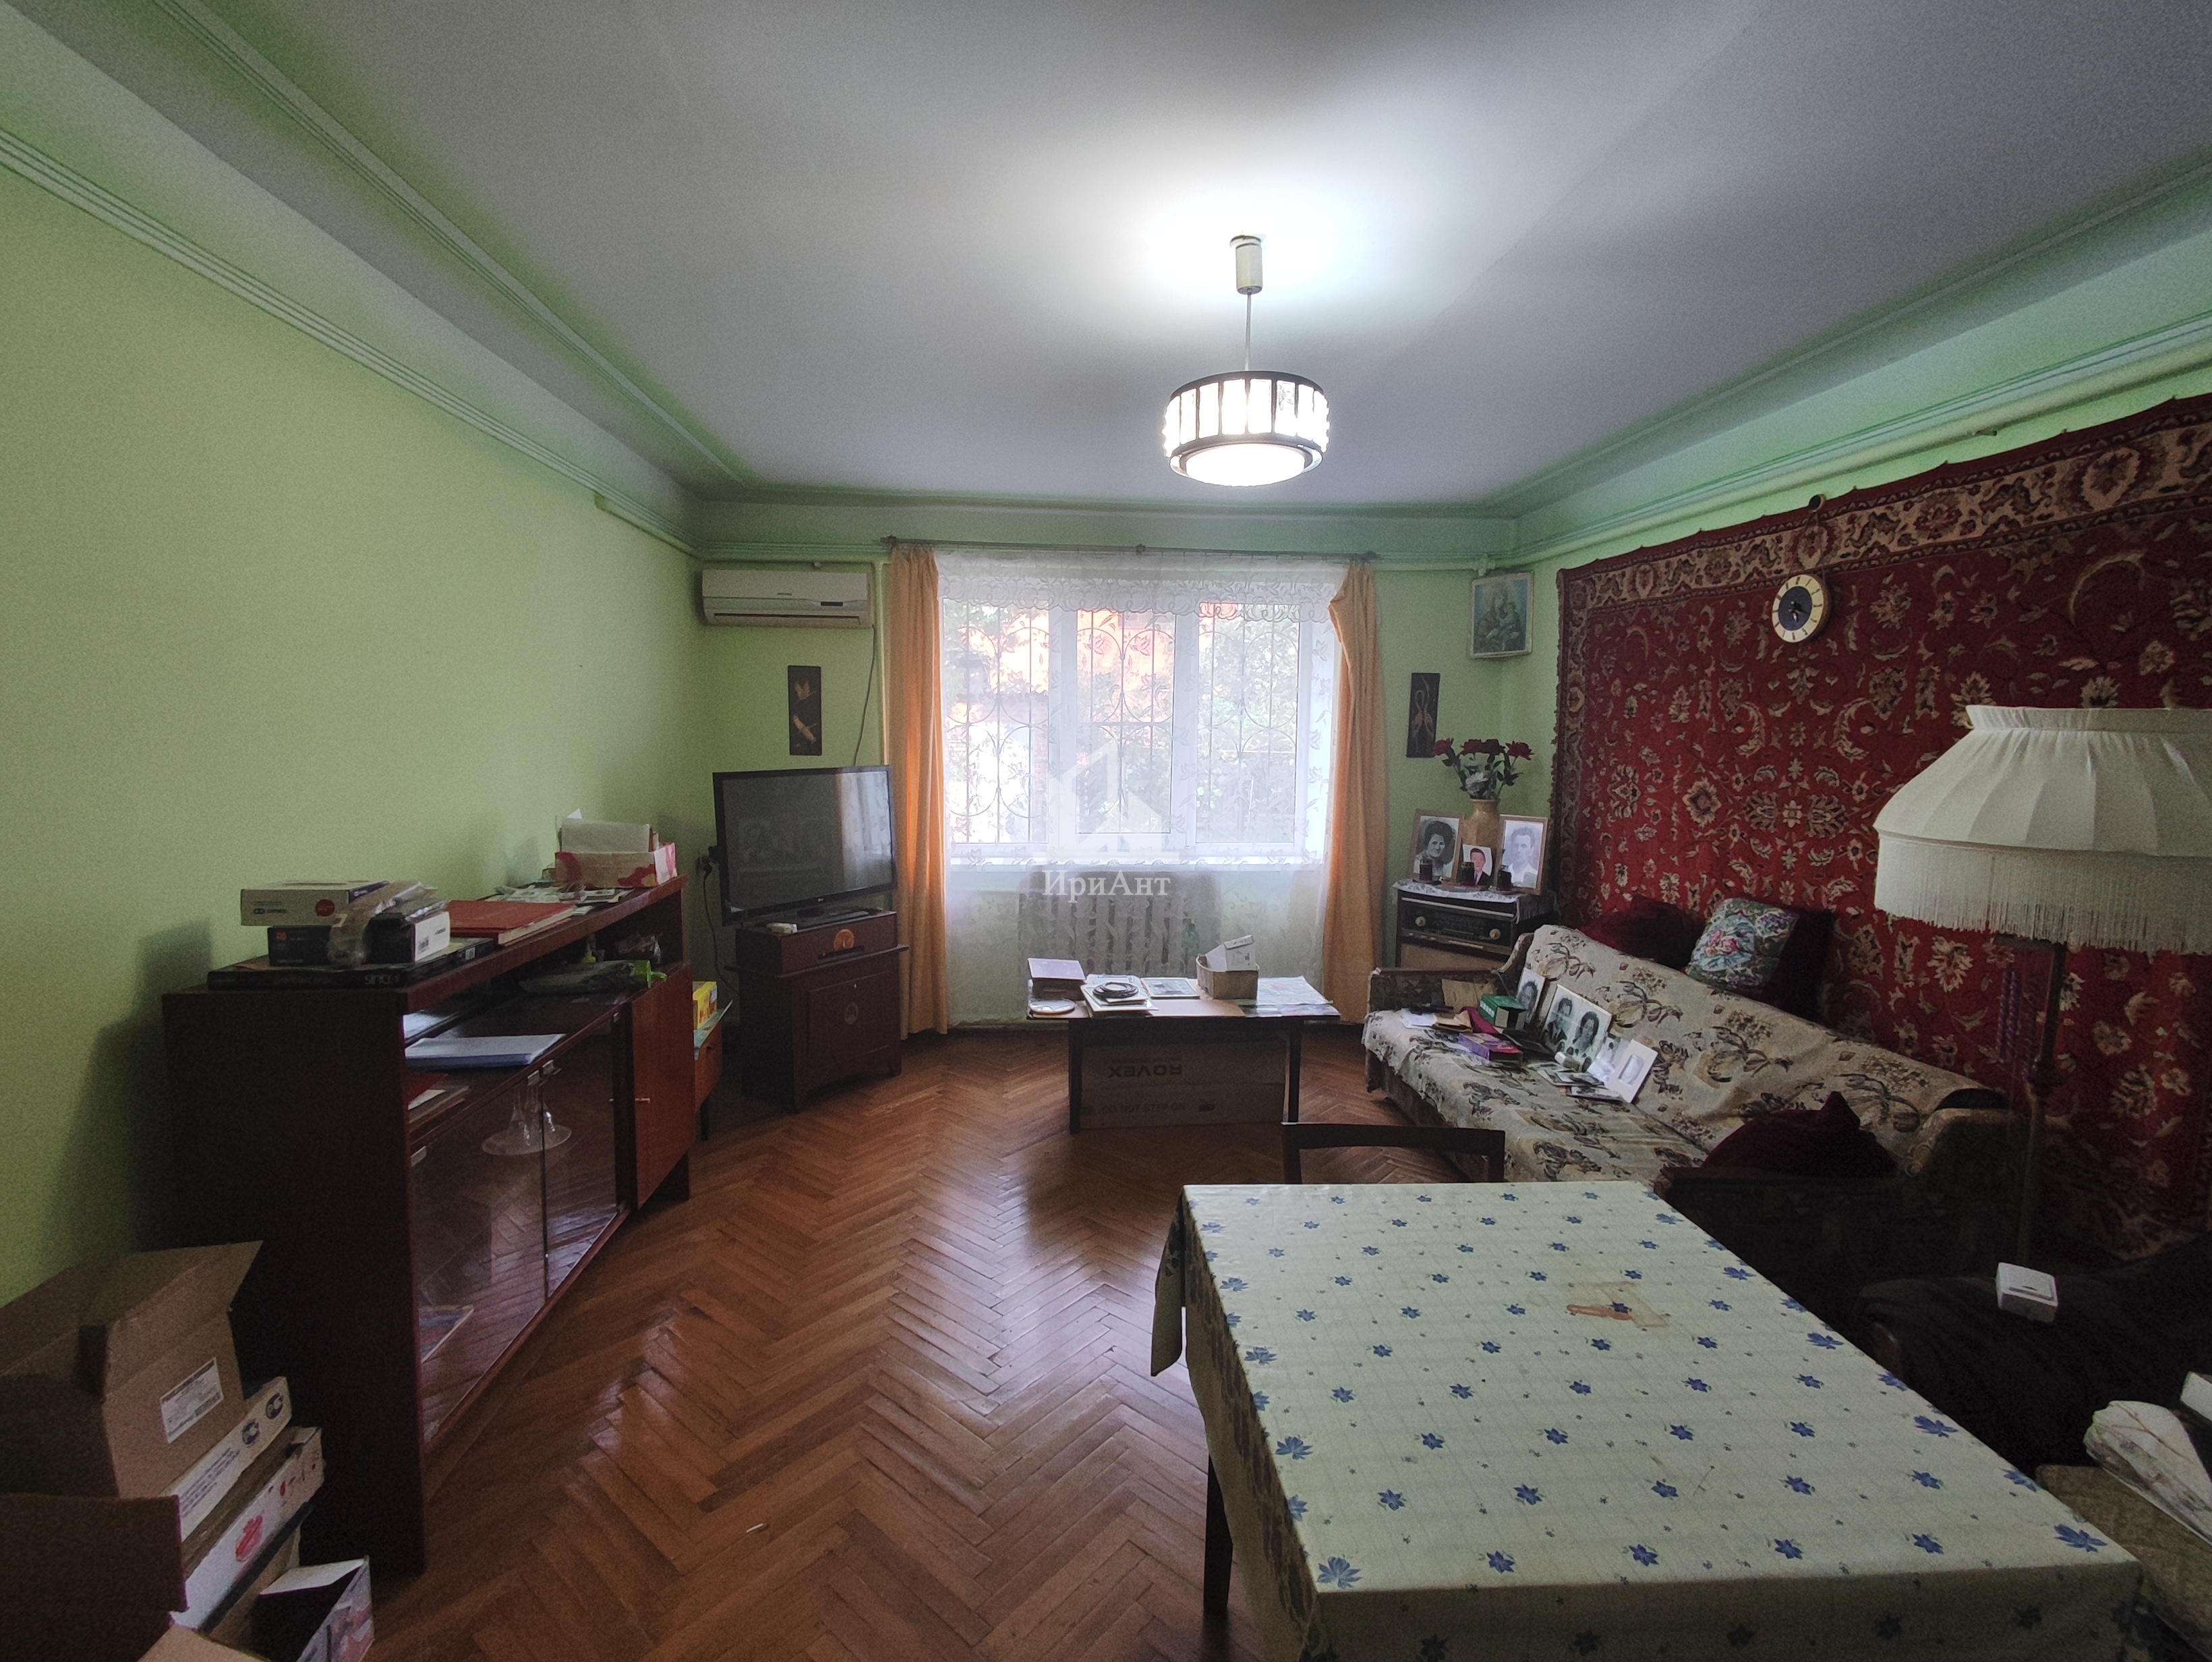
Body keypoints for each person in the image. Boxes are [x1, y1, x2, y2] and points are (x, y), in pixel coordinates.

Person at [1505, 824, 1541, 888]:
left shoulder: (1535, 875)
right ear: (1511, 848)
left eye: (1523, 846)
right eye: (1516, 846)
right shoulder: (1505, 872)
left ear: (1531, 850)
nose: (1519, 850)